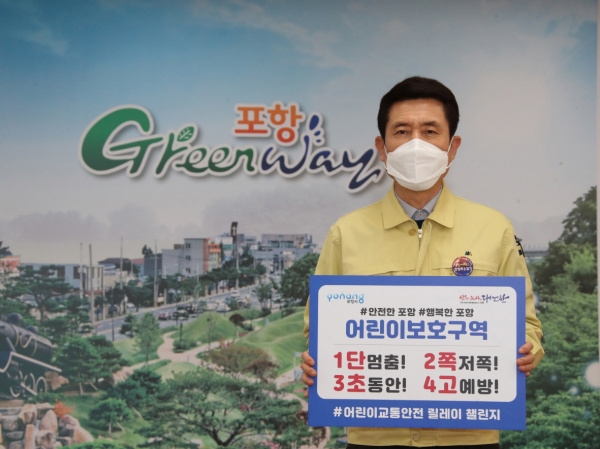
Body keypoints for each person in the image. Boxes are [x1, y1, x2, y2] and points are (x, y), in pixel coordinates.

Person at [300, 76, 544, 449]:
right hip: (374, 438)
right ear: (382, 147)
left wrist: (527, 350)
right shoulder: (345, 233)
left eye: (430, 131)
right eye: (402, 131)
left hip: (469, 437)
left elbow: (527, 326)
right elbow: (318, 327)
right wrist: (314, 359)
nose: (416, 144)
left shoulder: (495, 229)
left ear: (452, 146)